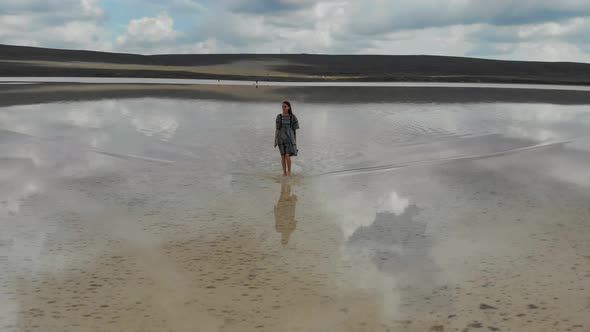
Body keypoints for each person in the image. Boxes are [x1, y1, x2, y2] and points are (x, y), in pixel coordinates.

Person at [274, 101, 299, 176]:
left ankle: (289, 172)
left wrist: (294, 141)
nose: (283, 108)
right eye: (282, 106)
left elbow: (294, 130)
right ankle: (284, 173)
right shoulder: (279, 116)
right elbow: (277, 129)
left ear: (289, 107)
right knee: (282, 156)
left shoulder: (292, 117)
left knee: (287, 155)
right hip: (281, 139)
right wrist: (275, 139)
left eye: (285, 106)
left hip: (290, 139)